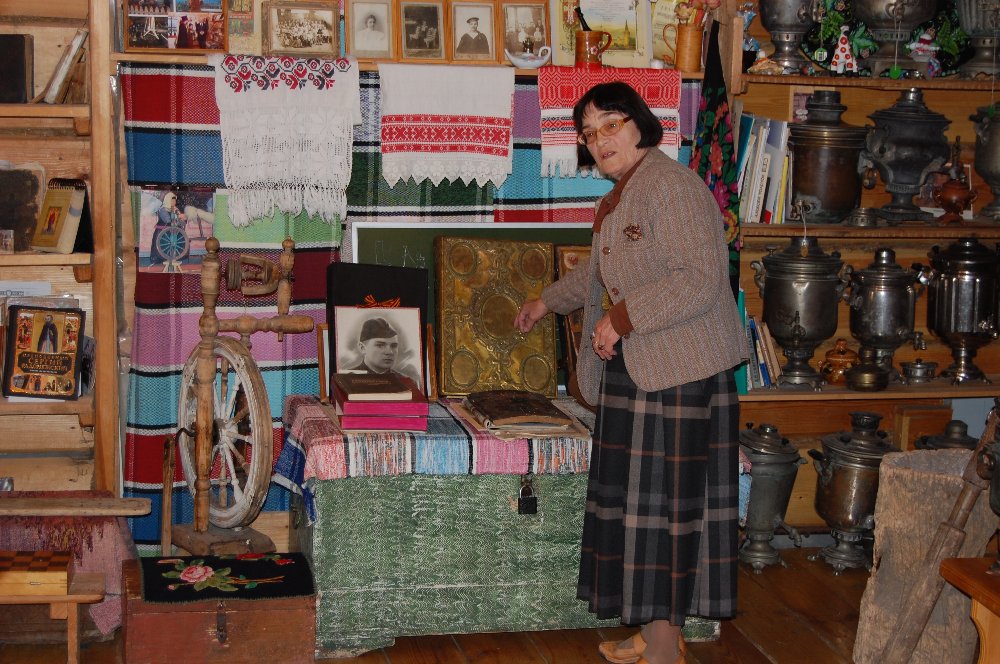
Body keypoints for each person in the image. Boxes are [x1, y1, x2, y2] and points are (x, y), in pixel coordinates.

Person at [514, 81, 746, 664]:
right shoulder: (621, 197)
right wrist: (545, 302)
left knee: (666, 514)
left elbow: (700, 278)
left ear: (640, 124)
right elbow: (597, 273)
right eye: (589, 133)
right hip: (643, 372)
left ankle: (665, 647)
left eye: (610, 125)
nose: (600, 141)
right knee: (643, 514)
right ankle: (656, 631)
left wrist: (620, 319)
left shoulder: (671, 187)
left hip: (682, 375)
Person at [350, 317, 421, 385]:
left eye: (393, 346)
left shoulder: (407, 383)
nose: (390, 352)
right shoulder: (348, 380)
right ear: (362, 348)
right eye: (380, 345)